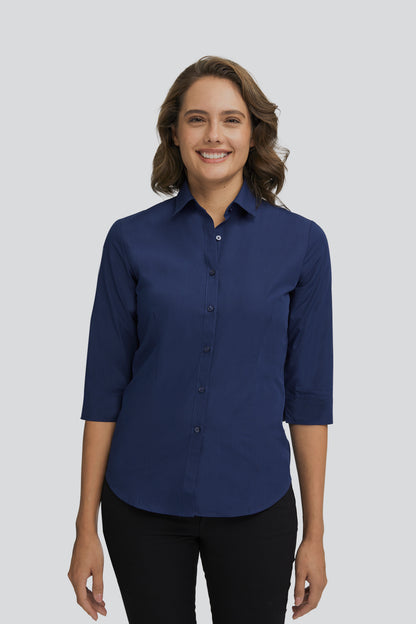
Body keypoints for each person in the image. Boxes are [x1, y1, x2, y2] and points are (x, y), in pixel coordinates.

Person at [68, 55, 333, 624]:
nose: (214, 135)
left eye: (231, 120)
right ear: (174, 133)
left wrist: (314, 534)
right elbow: (103, 390)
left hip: (256, 501)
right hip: (140, 502)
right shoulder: (129, 241)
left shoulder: (303, 244)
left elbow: (309, 396)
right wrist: (85, 527)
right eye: (197, 119)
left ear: (254, 133)